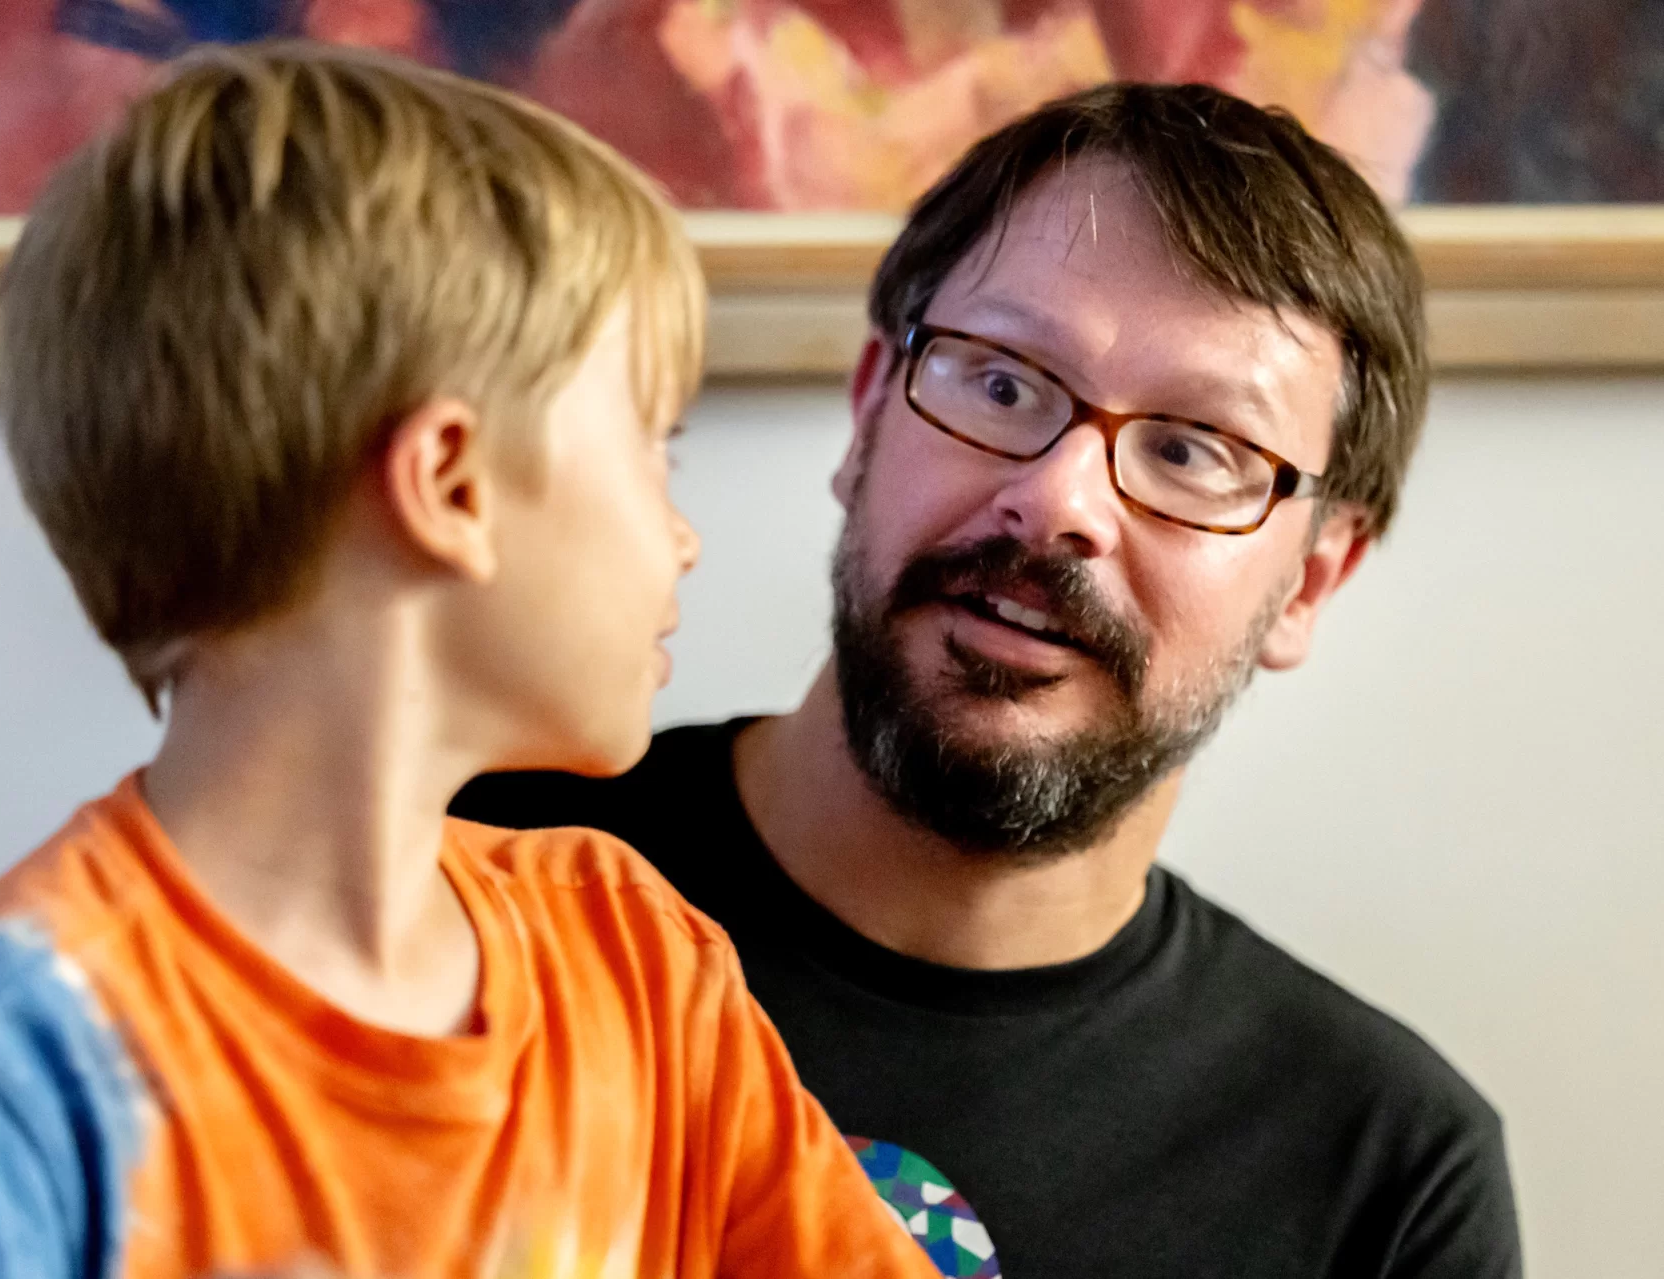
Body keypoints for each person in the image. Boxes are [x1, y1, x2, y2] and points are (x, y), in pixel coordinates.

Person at [0, 44, 938, 1279]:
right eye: (653, 442)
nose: (683, 532)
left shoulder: (637, 962)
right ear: (449, 482)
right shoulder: (2, 1071)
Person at [456, 82, 1523, 1278]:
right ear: (866, 415)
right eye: (1001, 382)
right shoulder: (434, 872)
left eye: (1189, 451)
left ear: (1312, 581)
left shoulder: (1384, 1175)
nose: (1058, 501)